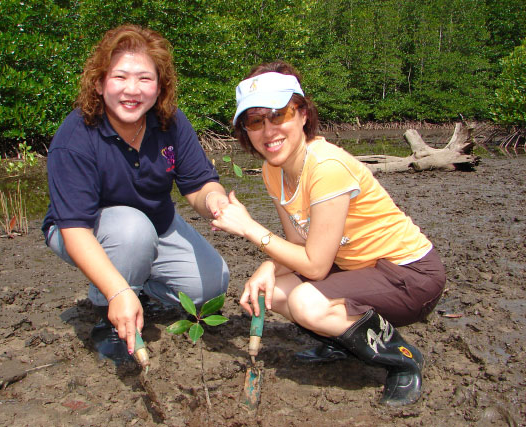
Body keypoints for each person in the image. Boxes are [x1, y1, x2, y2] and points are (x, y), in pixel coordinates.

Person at [212, 61, 446, 406]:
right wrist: (268, 268)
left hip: (411, 275)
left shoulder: (326, 167)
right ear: (245, 130)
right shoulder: (272, 169)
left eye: (279, 114)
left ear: (303, 114)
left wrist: (249, 228)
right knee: (272, 291)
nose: (268, 130)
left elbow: (317, 267)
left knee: (307, 303)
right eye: (254, 121)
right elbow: (299, 245)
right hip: (360, 269)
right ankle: (342, 342)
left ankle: (403, 360)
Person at [42, 24, 230, 363]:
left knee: (212, 284)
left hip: (156, 224)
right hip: (80, 230)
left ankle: (136, 287)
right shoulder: (75, 139)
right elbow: (75, 230)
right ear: (99, 84)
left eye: (145, 79)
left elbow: (200, 184)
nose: (133, 90)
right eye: (120, 78)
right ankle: (108, 313)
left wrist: (215, 202)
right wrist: (116, 292)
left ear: (159, 88)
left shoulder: (170, 122)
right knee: (132, 231)